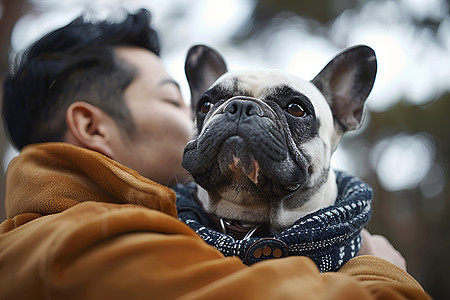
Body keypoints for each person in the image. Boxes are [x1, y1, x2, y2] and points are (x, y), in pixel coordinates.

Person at [0, 9, 430, 299]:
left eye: (295, 110)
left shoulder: (170, 229)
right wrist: (381, 274)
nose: (235, 116)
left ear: (343, 115)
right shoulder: (80, 242)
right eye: (199, 104)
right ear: (93, 127)